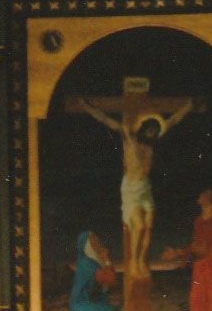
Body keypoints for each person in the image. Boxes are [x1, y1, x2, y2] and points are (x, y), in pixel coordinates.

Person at [78, 97, 194, 278]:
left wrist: (188, 107)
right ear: (144, 128)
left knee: (148, 227)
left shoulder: (151, 144)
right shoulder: (129, 138)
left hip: (145, 188)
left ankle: (140, 261)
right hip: (131, 189)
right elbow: (105, 119)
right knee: (138, 227)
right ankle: (132, 262)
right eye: (150, 130)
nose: (153, 133)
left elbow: (173, 121)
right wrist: (87, 107)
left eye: (155, 131)